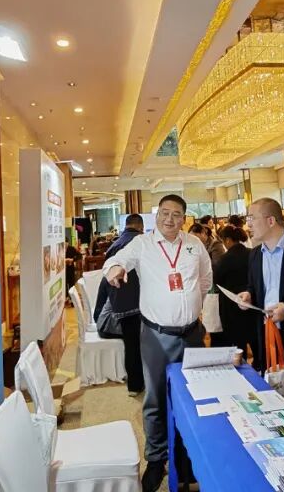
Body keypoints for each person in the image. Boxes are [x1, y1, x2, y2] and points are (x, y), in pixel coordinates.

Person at [103, 195, 213, 492]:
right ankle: (156, 458)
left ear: (184, 218)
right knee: (156, 399)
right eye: (164, 213)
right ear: (157, 215)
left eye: (176, 214)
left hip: (191, 334)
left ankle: (186, 458)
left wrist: (190, 306)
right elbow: (117, 260)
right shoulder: (143, 244)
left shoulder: (194, 245)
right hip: (156, 335)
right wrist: (114, 269)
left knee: (193, 397)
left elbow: (205, 280)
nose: (169, 219)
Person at [236, 198, 284, 414]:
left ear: (271, 220)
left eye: (252, 218)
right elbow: (254, 287)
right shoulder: (255, 255)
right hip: (269, 339)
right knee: (279, 405)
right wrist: (248, 295)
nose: (248, 224)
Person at [96, 214, 145, 396]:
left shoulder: (113, 246)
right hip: (141, 302)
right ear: (141, 227)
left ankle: (134, 386)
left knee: (131, 345)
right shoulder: (142, 243)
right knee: (146, 344)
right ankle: (149, 380)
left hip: (121, 304)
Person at [210, 224, 254, 356]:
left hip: (231, 303)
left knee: (237, 340)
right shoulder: (252, 253)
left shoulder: (225, 259)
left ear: (228, 240)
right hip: (251, 300)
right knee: (254, 338)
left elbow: (216, 280)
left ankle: (241, 362)